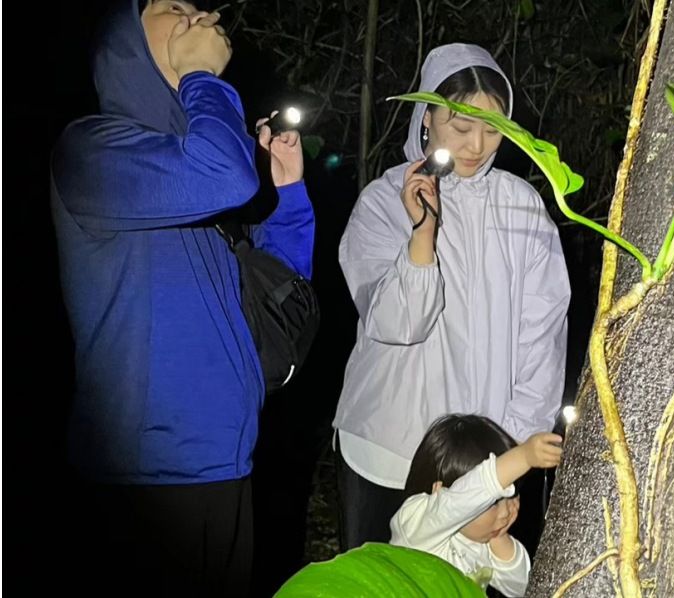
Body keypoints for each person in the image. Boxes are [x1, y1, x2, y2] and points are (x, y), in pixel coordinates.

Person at [49, 1, 314, 595]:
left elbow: (278, 294)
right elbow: (223, 174)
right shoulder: (90, 150)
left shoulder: (199, 172)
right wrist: (202, 78)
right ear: (128, 47)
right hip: (145, 481)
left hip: (228, 462)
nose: (199, 15)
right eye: (173, 8)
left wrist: (290, 194)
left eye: (198, 6)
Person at [333, 42, 570, 551]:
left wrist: (508, 450)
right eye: (461, 127)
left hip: (480, 463)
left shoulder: (521, 207)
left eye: (493, 130)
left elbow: (543, 335)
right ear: (425, 120)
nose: (477, 145)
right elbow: (397, 323)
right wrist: (422, 234)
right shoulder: (383, 200)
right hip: (385, 451)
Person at [390, 414, 562, 597]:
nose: (505, 511)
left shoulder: (482, 541)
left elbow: (523, 587)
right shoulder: (417, 524)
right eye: (492, 503)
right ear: (439, 491)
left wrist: (499, 539)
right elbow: (465, 496)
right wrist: (522, 457)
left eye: (512, 494)